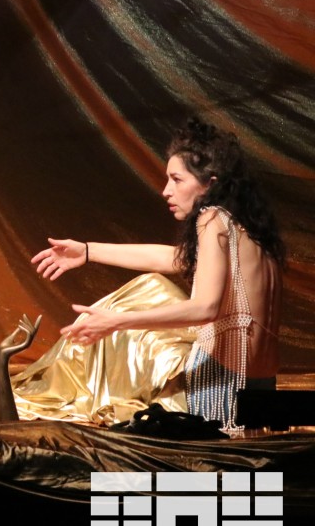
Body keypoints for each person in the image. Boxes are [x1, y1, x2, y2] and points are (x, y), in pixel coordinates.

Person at [30, 117, 285, 429]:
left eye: (176, 180)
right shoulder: (253, 234)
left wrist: (116, 322)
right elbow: (173, 258)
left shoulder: (211, 218)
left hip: (221, 387)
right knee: (150, 291)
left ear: (210, 184)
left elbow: (205, 307)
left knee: (135, 323)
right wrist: (87, 251)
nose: (166, 191)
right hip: (262, 390)